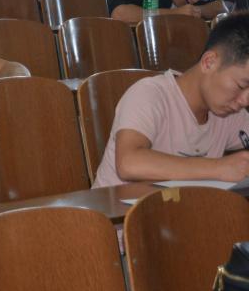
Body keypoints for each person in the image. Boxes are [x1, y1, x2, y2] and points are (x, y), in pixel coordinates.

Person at [92, 13, 249, 188]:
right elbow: (129, 163)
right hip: (115, 205)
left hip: (176, 205)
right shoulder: (149, 94)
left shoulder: (231, 113)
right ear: (209, 62)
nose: (244, 101)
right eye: (241, 86)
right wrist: (218, 168)